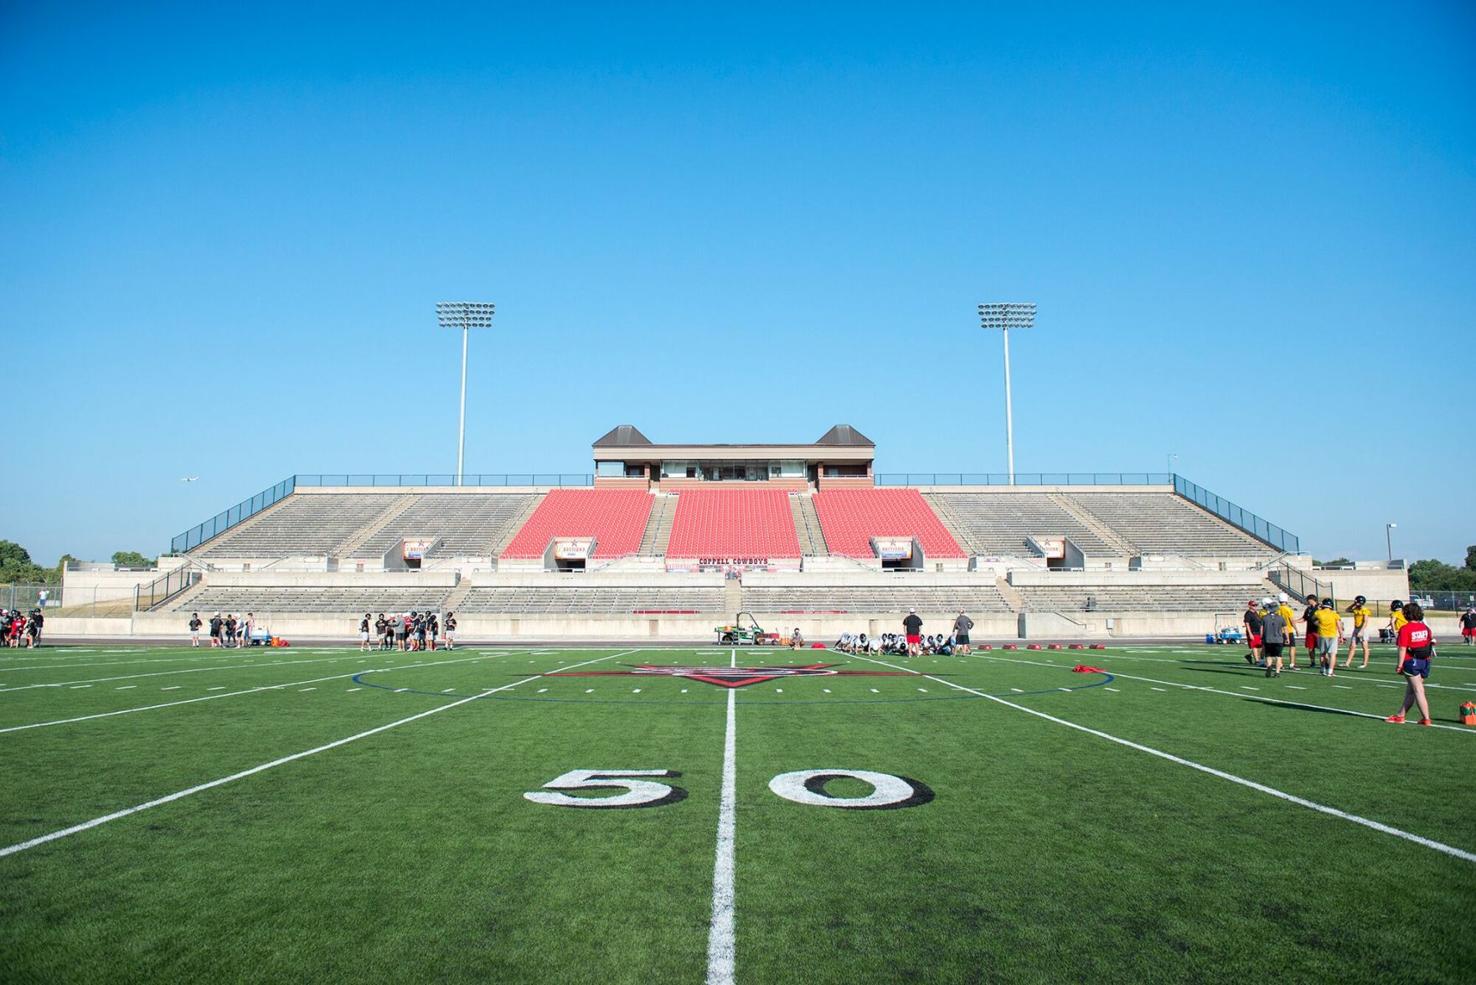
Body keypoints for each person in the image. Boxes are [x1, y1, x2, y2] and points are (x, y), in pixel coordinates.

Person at [1386, 601, 1435, 726]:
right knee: (1411, 690)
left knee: (1418, 690)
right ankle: (1400, 715)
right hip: (1425, 661)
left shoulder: (1405, 629)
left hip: (1411, 662)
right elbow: (1430, 643)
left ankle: (1426, 718)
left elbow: (1402, 648)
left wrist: (1399, 665)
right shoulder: (1426, 628)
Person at [1312, 599, 1343, 676]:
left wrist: (1318, 624)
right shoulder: (1334, 614)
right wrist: (1341, 636)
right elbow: (1339, 626)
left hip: (1322, 635)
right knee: (1332, 654)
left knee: (1322, 653)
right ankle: (1330, 671)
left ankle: (1322, 669)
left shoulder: (1318, 612)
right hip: (1332, 635)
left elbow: (1313, 619)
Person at [1344, 595, 1373, 668]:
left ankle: (1364, 663)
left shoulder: (1365, 610)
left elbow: (1365, 621)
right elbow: (1347, 610)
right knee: (1352, 646)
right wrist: (1353, 604)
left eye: (1357, 601)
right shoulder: (1356, 609)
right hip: (1356, 628)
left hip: (1363, 629)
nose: (1356, 603)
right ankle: (1347, 663)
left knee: (1364, 646)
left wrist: (1361, 631)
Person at [1261, 602, 1287, 677]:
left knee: (1268, 655)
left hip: (1268, 639)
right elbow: (1285, 629)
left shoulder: (1264, 618)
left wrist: (1261, 637)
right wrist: (1287, 638)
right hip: (1278, 639)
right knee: (1278, 656)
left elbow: (1261, 629)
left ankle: (1269, 666)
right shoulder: (1281, 618)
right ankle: (1277, 672)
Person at [1275, 593, 1300, 670]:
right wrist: (1296, 629)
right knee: (1292, 647)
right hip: (1288, 631)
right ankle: (1292, 664)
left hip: (1279, 631)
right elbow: (1291, 620)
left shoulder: (1277, 609)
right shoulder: (1288, 609)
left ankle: (1280, 664)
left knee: (1280, 648)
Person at [1242, 600, 1264, 666]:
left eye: (1255, 605)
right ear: (1249, 606)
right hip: (1253, 632)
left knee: (1259, 646)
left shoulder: (1255, 613)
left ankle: (1250, 656)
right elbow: (1247, 623)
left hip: (1258, 632)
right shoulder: (1248, 613)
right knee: (1254, 646)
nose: (1255, 606)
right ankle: (1257, 661)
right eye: (1253, 605)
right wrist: (1250, 633)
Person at [1301, 596, 1321, 669]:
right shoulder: (1308, 609)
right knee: (1310, 648)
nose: (1307, 601)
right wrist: (1295, 621)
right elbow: (1304, 618)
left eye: (1308, 600)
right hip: (1309, 631)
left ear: (1312, 600)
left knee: (1321, 648)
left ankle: (1324, 662)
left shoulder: (1320, 607)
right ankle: (1312, 662)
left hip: (1318, 631)